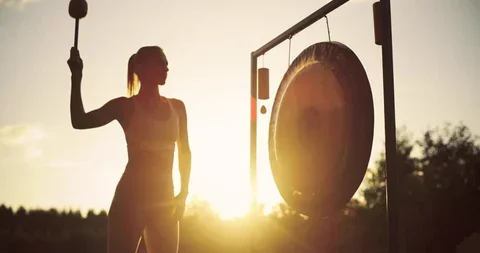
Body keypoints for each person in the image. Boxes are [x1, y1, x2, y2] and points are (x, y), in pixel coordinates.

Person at [67, 45, 192, 253]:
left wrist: (184, 193)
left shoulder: (178, 107)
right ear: (141, 69)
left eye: (166, 62)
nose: (166, 66)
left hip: (165, 203)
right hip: (129, 202)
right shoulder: (124, 107)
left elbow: (185, 151)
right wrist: (76, 77)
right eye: (160, 61)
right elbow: (79, 120)